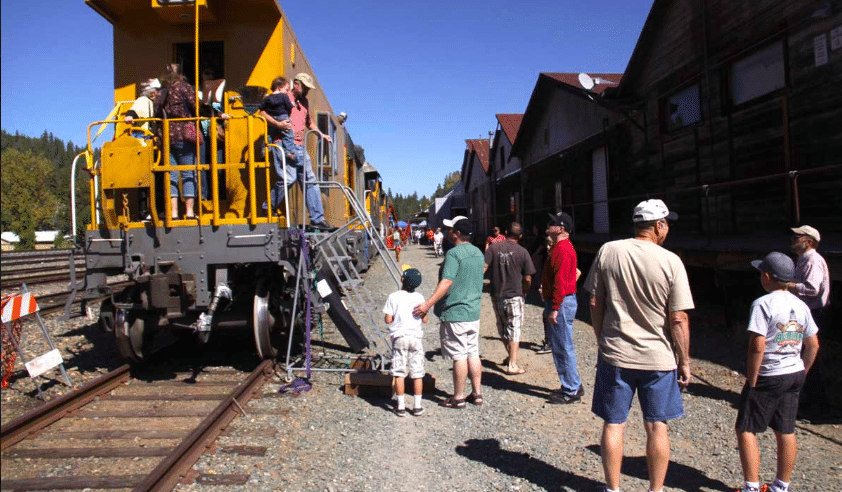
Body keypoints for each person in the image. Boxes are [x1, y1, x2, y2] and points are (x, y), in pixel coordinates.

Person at [584, 199, 694, 492]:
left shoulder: (609, 250)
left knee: (613, 423)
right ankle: (655, 489)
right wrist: (684, 360)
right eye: (667, 223)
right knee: (657, 426)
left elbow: (595, 300)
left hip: (616, 353)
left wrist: (600, 338)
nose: (667, 228)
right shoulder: (671, 261)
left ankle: (613, 488)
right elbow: (679, 318)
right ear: (658, 226)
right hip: (658, 358)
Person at [734, 252, 819, 492]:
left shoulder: (763, 303)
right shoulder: (800, 304)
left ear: (767, 277)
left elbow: (757, 345)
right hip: (793, 372)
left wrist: (752, 379)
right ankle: (781, 485)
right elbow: (813, 344)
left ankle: (751, 486)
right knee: (786, 428)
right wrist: (803, 370)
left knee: (746, 428)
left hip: (769, 373)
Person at [413, 217, 484, 409]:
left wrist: (427, 304)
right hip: (473, 311)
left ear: (457, 233)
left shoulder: (454, 254)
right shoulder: (478, 252)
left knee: (459, 355)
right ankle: (477, 393)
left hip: (455, 311)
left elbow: (447, 281)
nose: (448, 232)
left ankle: (458, 397)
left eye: (451, 229)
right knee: (473, 352)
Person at [266, 72, 331, 230]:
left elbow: (310, 122)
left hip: (300, 146)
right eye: (305, 87)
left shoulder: (305, 102)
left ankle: (317, 218)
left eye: (309, 88)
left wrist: (321, 134)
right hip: (284, 144)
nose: (307, 91)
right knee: (289, 179)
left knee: (310, 181)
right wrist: (278, 125)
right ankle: (268, 206)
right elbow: (263, 112)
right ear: (296, 84)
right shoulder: (282, 97)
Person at [785, 225, 831, 420]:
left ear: (809, 241)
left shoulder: (812, 260)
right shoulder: (804, 259)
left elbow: (812, 289)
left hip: (814, 312)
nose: (794, 239)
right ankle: (811, 401)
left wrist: (787, 286)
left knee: (810, 357)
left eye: (798, 237)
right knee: (805, 355)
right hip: (808, 311)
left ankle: (817, 406)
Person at [542, 212, 584, 404]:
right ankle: (573, 383)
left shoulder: (562, 249)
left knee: (562, 346)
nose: (548, 225)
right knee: (563, 344)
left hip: (561, 302)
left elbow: (560, 280)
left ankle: (571, 389)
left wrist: (556, 307)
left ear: (561, 229)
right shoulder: (562, 247)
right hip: (563, 300)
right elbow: (574, 273)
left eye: (552, 223)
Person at [484, 222, 536, 375]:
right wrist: (525, 291)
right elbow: (527, 278)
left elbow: (483, 267)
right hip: (514, 295)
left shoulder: (494, 248)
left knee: (502, 327)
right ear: (520, 236)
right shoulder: (523, 252)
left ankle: (510, 356)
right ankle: (512, 364)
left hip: (497, 294)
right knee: (514, 330)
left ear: (505, 232)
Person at [154, 64, 201, 220]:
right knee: (188, 172)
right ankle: (189, 212)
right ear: (180, 74)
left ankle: (173, 213)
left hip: (166, 137)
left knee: (171, 175)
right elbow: (197, 107)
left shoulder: (161, 92)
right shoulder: (184, 88)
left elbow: (156, 112)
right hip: (184, 135)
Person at [383, 267, 429, 417]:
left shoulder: (393, 297)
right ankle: (417, 406)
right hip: (416, 338)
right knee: (417, 373)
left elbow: (388, 319)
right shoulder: (420, 298)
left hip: (400, 338)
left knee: (399, 372)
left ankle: (401, 406)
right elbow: (426, 319)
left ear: (402, 280)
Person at [259, 76, 298, 166]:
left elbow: (261, 108)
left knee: (268, 135)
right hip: (283, 117)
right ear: (280, 87)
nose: (287, 91)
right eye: (286, 89)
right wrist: (292, 105)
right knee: (289, 134)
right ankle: (289, 152)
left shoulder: (267, 98)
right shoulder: (284, 96)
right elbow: (289, 106)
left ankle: (264, 151)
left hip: (272, 118)